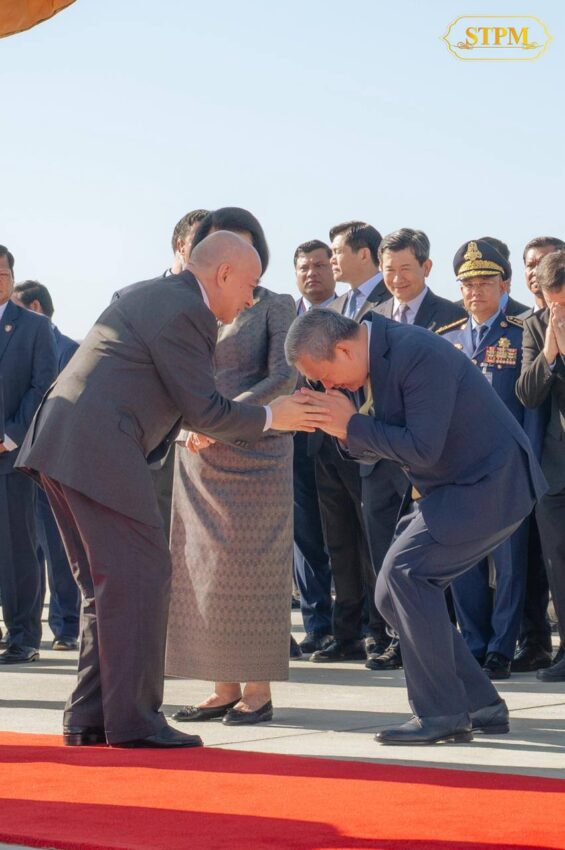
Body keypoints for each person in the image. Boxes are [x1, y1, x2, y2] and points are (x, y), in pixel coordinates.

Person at [15, 232, 330, 748]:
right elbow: (203, 408)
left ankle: (90, 716)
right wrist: (275, 415)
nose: (250, 298)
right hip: (98, 450)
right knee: (141, 578)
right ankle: (135, 722)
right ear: (223, 274)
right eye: (249, 284)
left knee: (109, 586)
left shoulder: (154, 294)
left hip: (65, 444)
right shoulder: (188, 311)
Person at [287, 308, 546, 745]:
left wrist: (351, 424)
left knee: (405, 576)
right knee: (391, 594)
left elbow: (422, 448)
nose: (328, 388)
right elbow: (379, 441)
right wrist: (344, 429)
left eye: (324, 377)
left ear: (344, 350)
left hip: (491, 484)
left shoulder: (416, 352)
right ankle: (479, 702)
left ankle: (442, 712)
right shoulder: (374, 357)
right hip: (452, 488)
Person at [165, 210, 297, 725]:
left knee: (253, 572)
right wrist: (196, 424)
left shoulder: (274, 305)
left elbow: (284, 376)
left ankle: (258, 691)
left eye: (246, 245)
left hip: (256, 453)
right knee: (202, 570)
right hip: (197, 453)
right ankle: (220, 686)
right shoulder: (193, 307)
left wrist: (222, 420)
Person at [439, 239, 537, 679]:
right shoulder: (447, 338)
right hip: (459, 469)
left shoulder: (521, 332)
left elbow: (530, 406)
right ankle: (474, 643)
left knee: (510, 562)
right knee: (463, 562)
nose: (475, 291)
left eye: (485, 282)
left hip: (506, 467)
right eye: (467, 283)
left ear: (505, 285)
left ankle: (501, 648)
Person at [309, 221, 391, 664]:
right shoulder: (335, 307)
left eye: (338, 251)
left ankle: (380, 630)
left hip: (372, 441)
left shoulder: (389, 303)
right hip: (328, 441)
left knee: (373, 539)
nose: (332, 259)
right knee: (338, 540)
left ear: (364, 254)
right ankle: (347, 633)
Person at [12, 280, 81, 650]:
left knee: (59, 550)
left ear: (35, 307)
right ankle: (26, 626)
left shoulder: (72, 351)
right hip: (18, 463)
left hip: (55, 465)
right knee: (25, 550)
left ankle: (66, 627)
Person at [0, 248, 58, 666]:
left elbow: (43, 386)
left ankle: (23, 636)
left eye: (2, 273)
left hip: (11, 456)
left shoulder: (34, 327)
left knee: (17, 550)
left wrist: (9, 436)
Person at [512, 237, 565, 673]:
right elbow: (527, 395)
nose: (559, 312)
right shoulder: (534, 325)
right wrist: (549, 350)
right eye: (553, 304)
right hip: (555, 466)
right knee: (557, 562)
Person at [292, 240, 335, 653]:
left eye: (320, 265)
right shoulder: (283, 316)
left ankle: (357, 622)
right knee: (304, 537)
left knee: (345, 535)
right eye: (305, 267)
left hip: (341, 439)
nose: (312, 273)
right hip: (294, 441)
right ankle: (317, 623)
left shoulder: (349, 314)